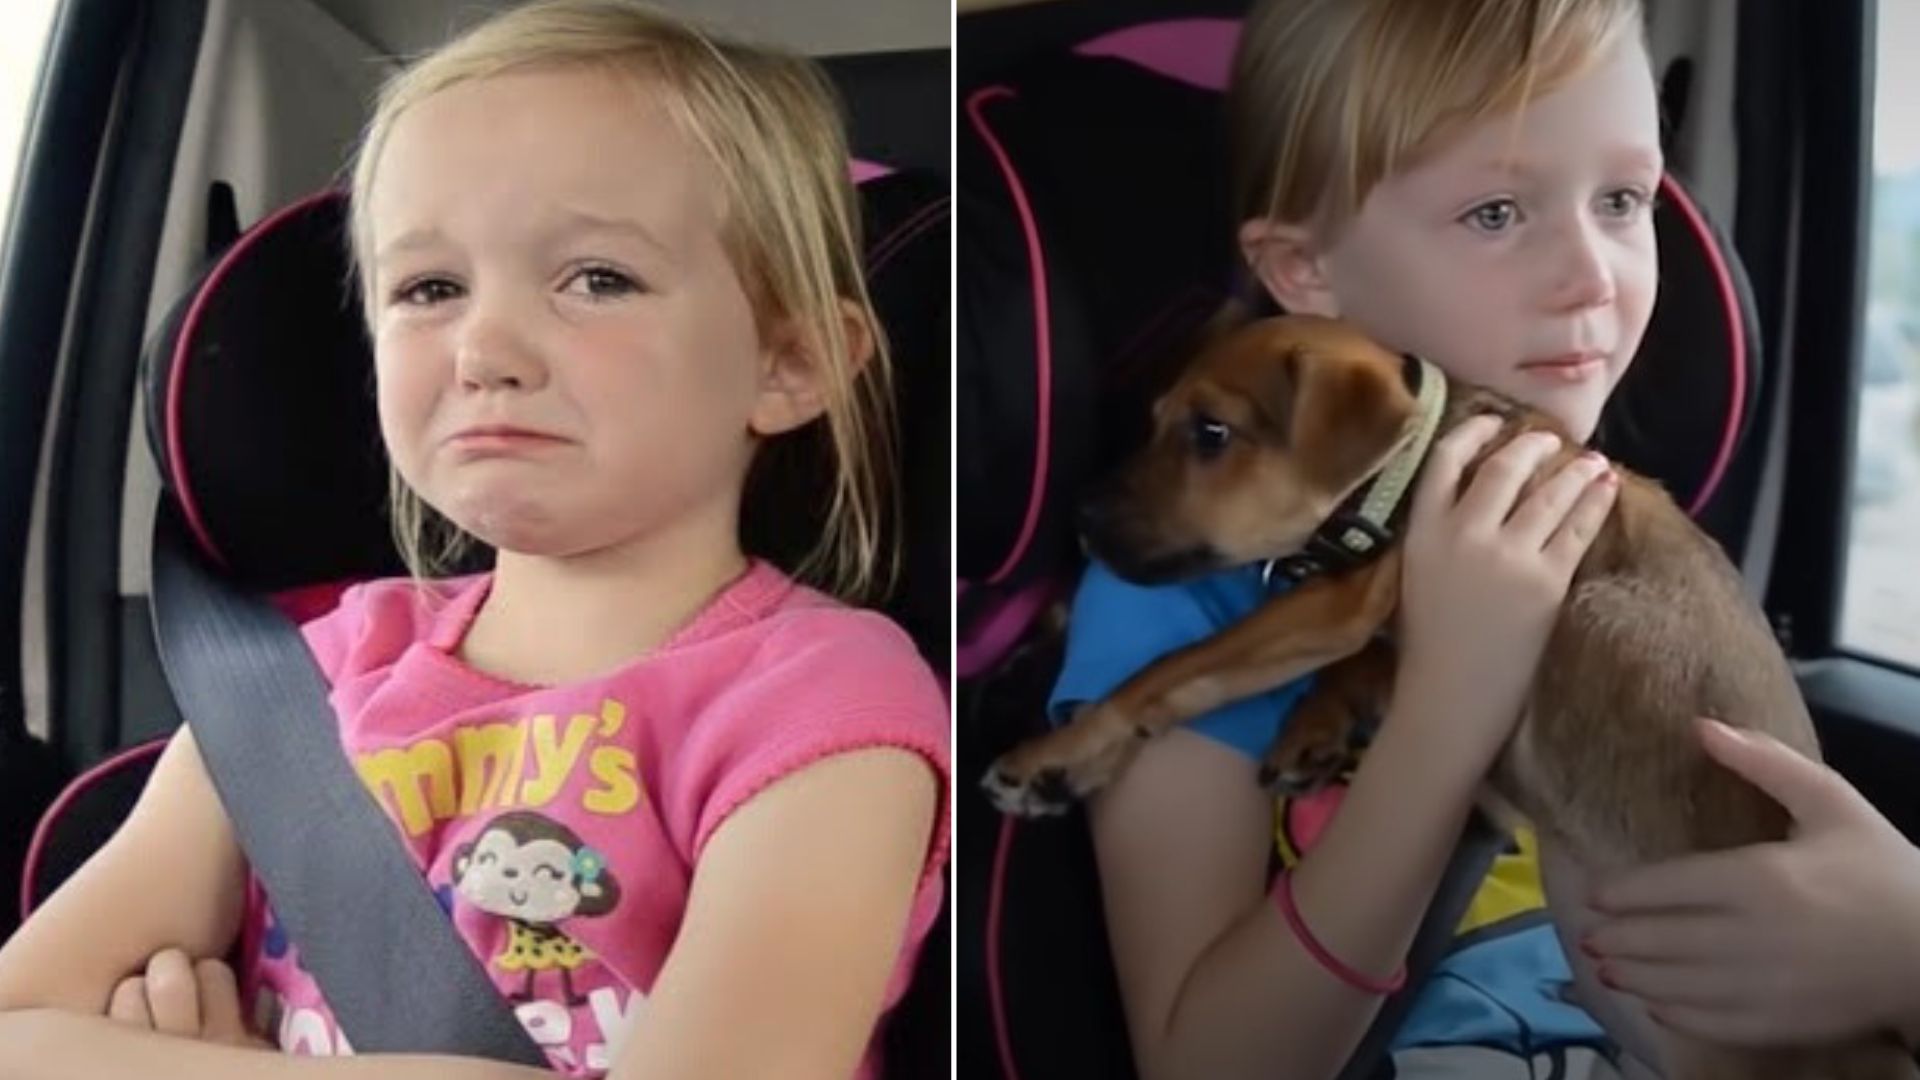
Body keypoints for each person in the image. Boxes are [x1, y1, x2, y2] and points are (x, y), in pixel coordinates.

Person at [0, 2, 949, 1077]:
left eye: (598, 278)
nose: (485, 348)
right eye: (429, 288)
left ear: (787, 364)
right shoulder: (310, 682)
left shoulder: (823, 703)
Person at [1046, 0, 1715, 1076]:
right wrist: (1450, 705)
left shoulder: (1618, 536)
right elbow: (1211, 1064)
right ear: (1306, 272)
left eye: (1624, 199)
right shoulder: (1194, 601)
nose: (1594, 273)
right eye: (1497, 212)